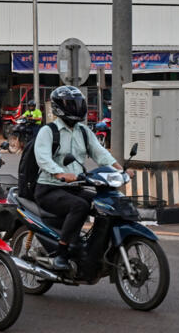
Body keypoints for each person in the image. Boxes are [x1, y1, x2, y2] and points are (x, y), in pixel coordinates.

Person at [34, 86, 128, 271]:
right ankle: (62, 253)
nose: (76, 107)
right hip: (49, 188)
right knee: (80, 206)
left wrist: (121, 169)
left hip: (74, 187)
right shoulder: (48, 131)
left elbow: (100, 153)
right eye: (71, 104)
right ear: (59, 107)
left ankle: (92, 248)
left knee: (104, 203)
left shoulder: (83, 131)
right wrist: (60, 173)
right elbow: (42, 157)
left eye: (78, 103)